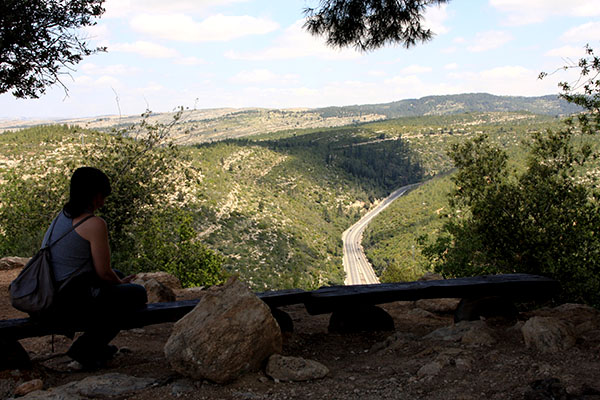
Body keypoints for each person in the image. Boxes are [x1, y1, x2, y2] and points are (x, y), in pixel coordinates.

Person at [40, 167, 147, 369]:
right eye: (102, 196)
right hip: (68, 302)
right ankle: (86, 348)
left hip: (53, 292)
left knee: (119, 278)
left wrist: (117, 280)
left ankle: (96, 346)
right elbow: (104, 273)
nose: (103, 201)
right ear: (95, 195)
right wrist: (120, 283)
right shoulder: (94, 223)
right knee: (136, 294)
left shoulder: (62, 217)